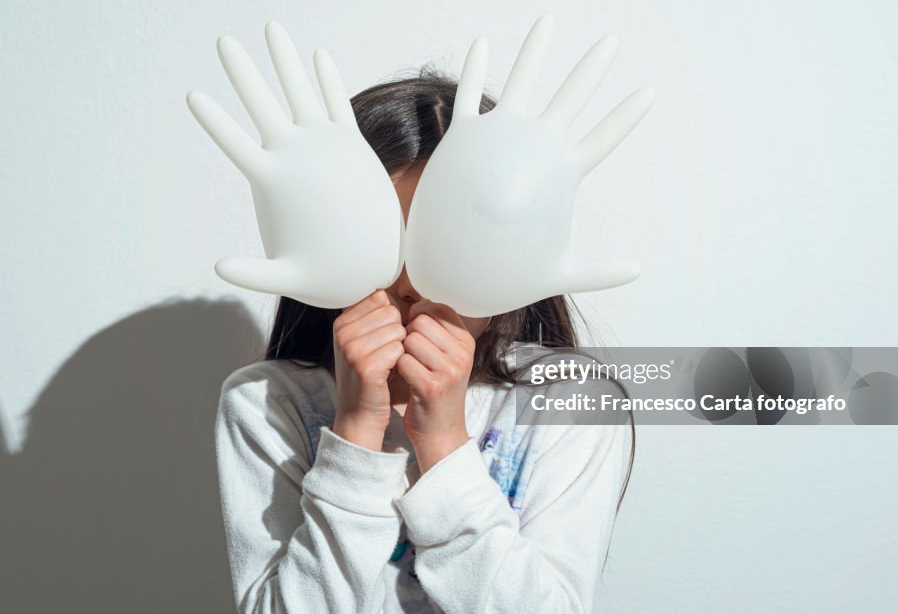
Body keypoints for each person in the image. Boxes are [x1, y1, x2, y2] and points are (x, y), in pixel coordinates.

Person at [214, 71, 634, 613]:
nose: (409, 284)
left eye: (453, 243)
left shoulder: (572, 403)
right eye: (381, 242)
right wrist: (357, 433)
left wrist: (444, 443)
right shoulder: (264, 404)